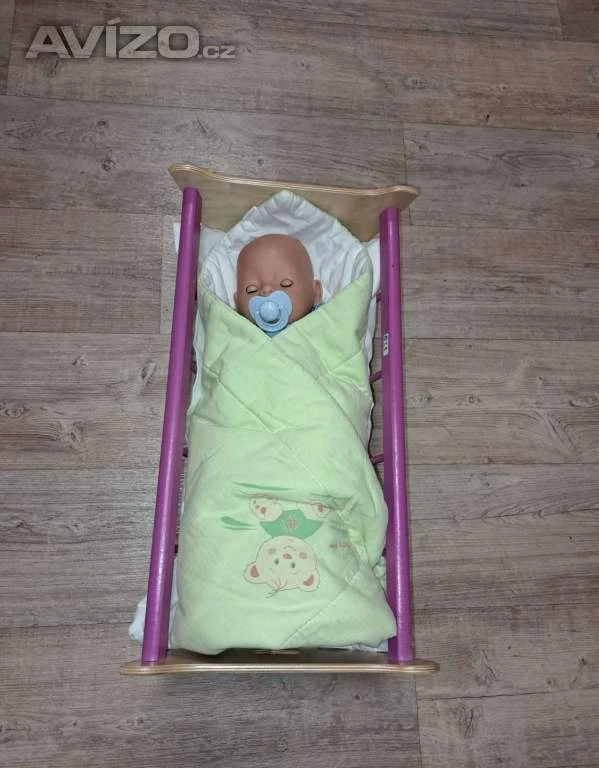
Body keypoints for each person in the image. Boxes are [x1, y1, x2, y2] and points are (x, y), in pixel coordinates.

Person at [235, 234, 322, 335]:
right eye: (251, 289)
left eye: (285, 284)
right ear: (237, 303)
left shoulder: (325, 320)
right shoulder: (236, 331)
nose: (266, 289)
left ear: (315, 293)